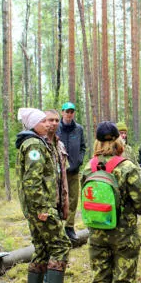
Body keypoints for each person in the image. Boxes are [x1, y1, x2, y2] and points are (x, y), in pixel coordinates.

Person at [81, 121, 141, 283]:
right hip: (124, 237)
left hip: (97, 236)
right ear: (117, 141)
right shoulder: (127, 167)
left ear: (98, 141)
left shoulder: (89, 168)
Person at [16, 108, 77, 283]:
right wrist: (42, 208)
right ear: (33, 125)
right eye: (42, 122)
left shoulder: (40, 143)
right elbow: (32, 182)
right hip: (41, 207)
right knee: (61, 244)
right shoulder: (34, 145)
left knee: (42, 247)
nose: (47, 125)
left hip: (37, 207)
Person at [57, 102, 87, 242]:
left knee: (73, 199)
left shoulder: (78, 129)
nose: (69, 114)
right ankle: (57, 230)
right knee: (59, 199)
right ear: (62, 112)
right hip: (58, 172)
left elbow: (83, 147)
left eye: (72, 112)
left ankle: (69, 227)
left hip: (74, 171)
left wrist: (79, 160)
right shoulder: (56, 128)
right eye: (67, 111)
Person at [45, 110, 70, 222]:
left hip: (59, 201)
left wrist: (66, 202)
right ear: (43, 121)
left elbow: (64, 176)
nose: (54, 123)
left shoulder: (60, 145)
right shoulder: (38, 144)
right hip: (45, 204)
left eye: (57, 120)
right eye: (51, 120)